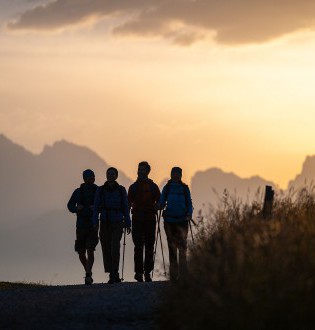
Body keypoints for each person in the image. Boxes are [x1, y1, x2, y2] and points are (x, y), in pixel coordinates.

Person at [93, 167, 131, 284]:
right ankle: (111, 273)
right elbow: (95, 207)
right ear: (106, 175)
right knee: (106, 247)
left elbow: (125, 206)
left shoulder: (121, 190)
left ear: (116, 176)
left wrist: (128, 222)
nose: (110, 175)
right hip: (104, 221)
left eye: (112, 174)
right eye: (108, 173)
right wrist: (95, 222)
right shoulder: (101, 190)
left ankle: (114, 272)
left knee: (115, 247)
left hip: (117, 221)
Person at [159, 167, 193, 282]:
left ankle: (182, 274)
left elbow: (189, 203)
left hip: (182, 221)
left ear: (181, 175)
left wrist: (189, 213)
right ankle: (175, 275)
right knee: (172, 247)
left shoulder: (184, 188)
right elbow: (162, 201)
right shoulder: (167, 188)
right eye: (174, 174)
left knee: (182, 247)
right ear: (171, 175)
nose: (176, 176)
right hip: (170, 221)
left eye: (178, 174)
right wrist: (159, 206)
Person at [128, 161, 161, 282]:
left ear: (147, 171)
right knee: (141, 246)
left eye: (142, 169)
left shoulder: (138, 187)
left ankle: (144, 272)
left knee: (146, 246)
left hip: (146, 219)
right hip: (142, 219)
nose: (140, 171)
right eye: (139, 169)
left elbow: (160, 201)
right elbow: (127, 203)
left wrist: (159, 206)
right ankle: (142, 273)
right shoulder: (138, 187)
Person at [67, 169, 99, 285]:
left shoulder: (98, 191)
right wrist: (76, 209)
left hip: (92, 224)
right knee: (81, 252)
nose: (92, 178)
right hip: (80, 225)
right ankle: (88, 272)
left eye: (93, 176)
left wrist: (95, 207)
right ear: (84, 178)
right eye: (90, 177)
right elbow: (70, 205)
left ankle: (88, 274)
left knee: (90, 249)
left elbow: (103, 204)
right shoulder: (78, 192)